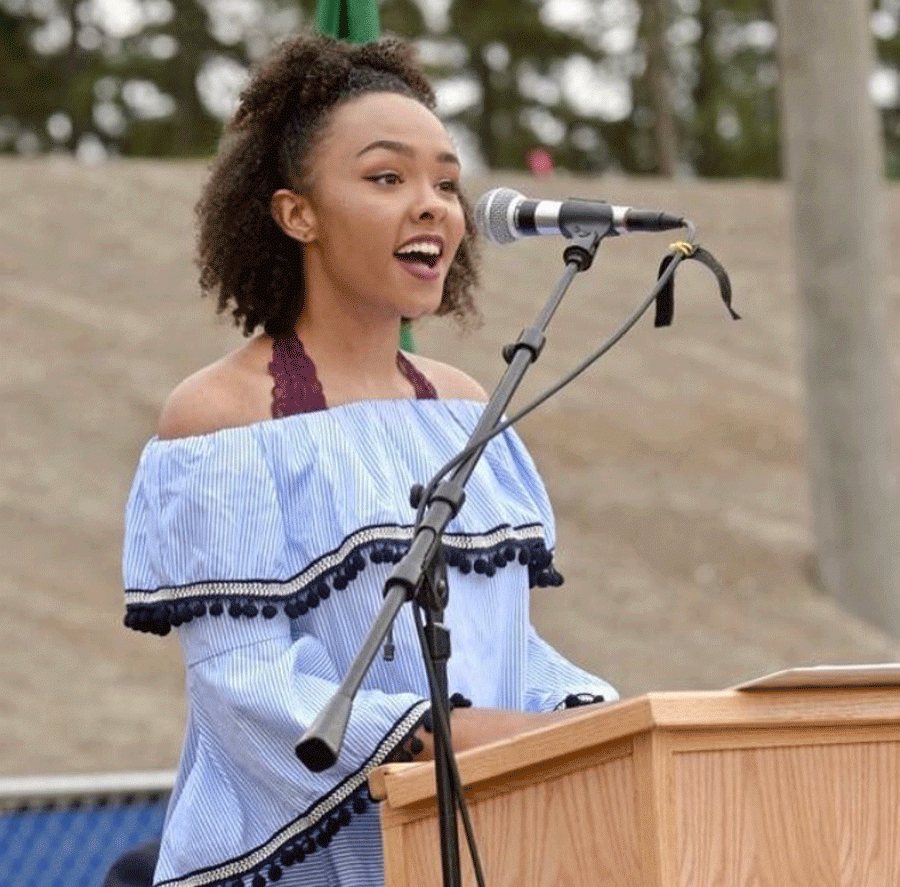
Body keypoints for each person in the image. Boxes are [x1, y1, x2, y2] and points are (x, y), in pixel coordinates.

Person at [121, 31, 617, 887]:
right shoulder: (220, 420)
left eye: (447, 182)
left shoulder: (465, 405)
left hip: (464, 853)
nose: (432, 205)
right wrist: (449, 735)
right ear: (296, 213)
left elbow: (507, 649)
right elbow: (250, 694)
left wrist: (600, 717)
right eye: (387, 178)